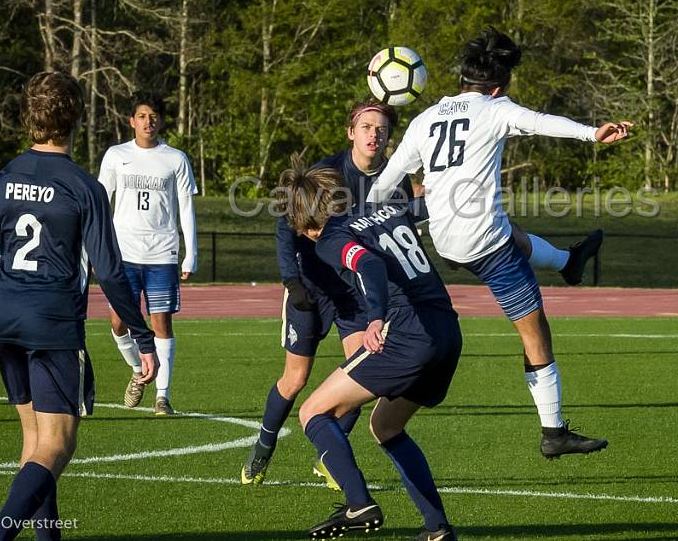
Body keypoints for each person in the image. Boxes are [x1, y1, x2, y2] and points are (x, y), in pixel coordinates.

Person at [369, 27, 632, 458]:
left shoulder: (425, 119)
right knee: (535, 333)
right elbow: (542, 122)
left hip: (445, 241)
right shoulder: (495, 109)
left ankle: (568, 261)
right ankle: (554, 432)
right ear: (497, 87)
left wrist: (374, 216)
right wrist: (593, 133)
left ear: (462, 79)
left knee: (512, 233)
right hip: (484, 245)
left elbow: (383, 187)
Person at [0, 71, 157, 541]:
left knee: (35, 443)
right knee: (58, 443)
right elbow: (111, 272)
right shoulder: (82, 186)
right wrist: (144, 337)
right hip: (51, 323)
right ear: (75, 117)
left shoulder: (5, 176)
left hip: (5, 319)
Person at [281, 158, 460, 541]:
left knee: (313, 411)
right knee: (385, 425)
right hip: (447, 330)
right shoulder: (380, 210)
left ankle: (358, 503)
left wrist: (375, 318)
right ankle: (438, 529)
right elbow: (429, 207)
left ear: (303, 224)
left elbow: (369, 266)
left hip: (408, 332)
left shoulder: (330, 239)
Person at [241, 98, 413, 488]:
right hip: (311, 289)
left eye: (382, 128)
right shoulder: (327, 172)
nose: (375, 133)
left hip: (353, 292)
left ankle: (330, 460)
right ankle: (261, 453)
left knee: (363, 374)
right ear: (351, 132)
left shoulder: (395, 179)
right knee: (295, 380)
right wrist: (292, 281)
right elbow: (287, 226)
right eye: (367, 126)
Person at [98, 96, 197, 415]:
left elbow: (186, 208)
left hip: (161, 253)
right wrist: (97, 248)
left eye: (153, 116)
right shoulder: (116, 155)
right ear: (131, 121)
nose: (147, 122)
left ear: (160, 121)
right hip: (122, 252)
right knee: (118, 322)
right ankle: (140, 372)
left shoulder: (176, 159)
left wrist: (190, 253)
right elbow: (101, 202)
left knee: (161, 323)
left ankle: (162, 397)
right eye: (141, 116)